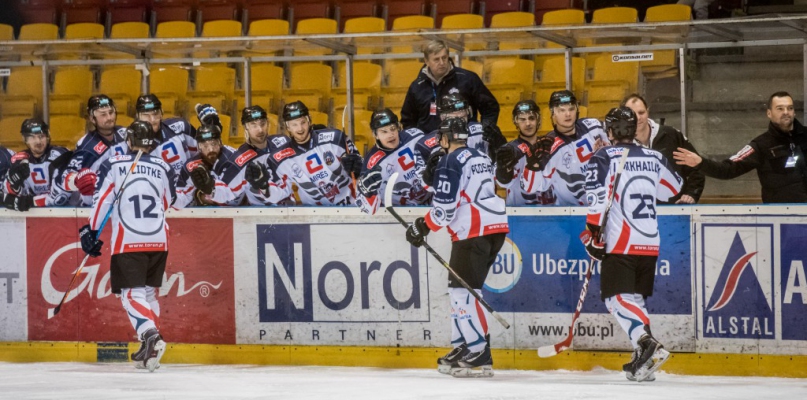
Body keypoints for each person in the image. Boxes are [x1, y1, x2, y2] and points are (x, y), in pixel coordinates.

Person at [582, 107, 682, 382]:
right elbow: (673, 190)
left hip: (621, 240)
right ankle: (643, 360)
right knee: (634, 299)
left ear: (611, 131)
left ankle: (647, 343)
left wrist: (592, 234)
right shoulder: (655, 156)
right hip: (650, 240)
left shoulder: (602, 156)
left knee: (616, 298)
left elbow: (597, 199)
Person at [405, 117, 509, 378]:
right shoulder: (479, 156)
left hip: (472, 231)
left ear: (444, 138)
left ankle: (479, 350)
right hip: (493, 227)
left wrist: (422, 226)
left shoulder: (450, 161)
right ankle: (464, 345)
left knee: (464, 294)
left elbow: (444, 210)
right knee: (461, 291)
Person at [79, 120, 174, 372]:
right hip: (158, 239)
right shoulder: (164, 166)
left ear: (128, 141)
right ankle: (150, 347)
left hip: (128, 240)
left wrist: (91, 230)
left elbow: (102, 202)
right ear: (151, 143)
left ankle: (150, 334)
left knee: (131, 294)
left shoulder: (114, 164)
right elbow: (168, 200)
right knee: (149, 293)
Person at [673, 91, 807, 203]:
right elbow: (728, 169)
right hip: (782, 219)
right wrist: (701, 163)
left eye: (790, 108)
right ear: (769, 113)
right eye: (780, 108)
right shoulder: (761, 144)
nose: (786, 112)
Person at [245, 101, 362, 206]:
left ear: (309, 120)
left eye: (303, 122)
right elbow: (280, 195)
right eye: (294, 124)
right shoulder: (279, 158)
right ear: (287, 126)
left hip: (352, 207)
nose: (300, 129)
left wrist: (357, 167)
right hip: (315, 216)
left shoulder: (335, 138)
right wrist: (264, 186)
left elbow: (362, 169)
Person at [520, 90, 610, 206]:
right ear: (553, 113)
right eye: (562, 110)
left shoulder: (594, 126)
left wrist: (605, 151)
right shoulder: (547, 146)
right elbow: (531, 188)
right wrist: (533, 166)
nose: (568, 114)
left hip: (603, 207)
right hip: (571, 214)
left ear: (577, 109)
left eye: (571, 109)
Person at [401, 39, 500, 134]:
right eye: (436, 59)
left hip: (464, 142)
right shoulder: (417, 87)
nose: (441, 63)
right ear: (426, 61)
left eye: (444, 57)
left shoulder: (468, 79)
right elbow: (408, 121)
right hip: (430, 146)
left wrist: (485, 130)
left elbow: (490, 107)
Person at [622, 94, 704, 204]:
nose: (638, 118)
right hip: (637, 216)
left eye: (641, 112)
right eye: (631, 114)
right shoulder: (619, 146)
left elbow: (697, 168)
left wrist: (691, 194)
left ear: (648, 111)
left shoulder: (671, 136)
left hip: (674, 213)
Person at [414, 93, 506, 189]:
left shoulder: (482, 132)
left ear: (468, 113)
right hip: (448, 199)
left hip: (483, 197)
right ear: (442, 117)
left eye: (462, 116)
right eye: (454, 118)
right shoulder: (425, 145)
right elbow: (424, 185)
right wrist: (429, 174)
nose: (459, 123)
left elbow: (500, 177)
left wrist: (500, 146)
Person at [356, 109, 428, 214]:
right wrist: (368, 193)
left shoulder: (416, 136)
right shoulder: (372, 162)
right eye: (384, 131)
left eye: (393, 129)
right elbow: (367, 209)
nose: (391, 134)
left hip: (431, 203)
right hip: (400, 212)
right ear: (375, 135)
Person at [61, 95, 129, 206]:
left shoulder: (125, 134)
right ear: (92, 118)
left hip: (125, 201)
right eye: (103, 114)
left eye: (111, 112)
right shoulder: (86, 146)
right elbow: (65, 179)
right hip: (97, 206)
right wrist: (78, 180)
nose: (109, 117)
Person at [124, 94, 197, 185]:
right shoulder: (133, 141)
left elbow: (202, 152)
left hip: (189, 189)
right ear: (137, 116)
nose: (152, 120)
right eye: (146, 115)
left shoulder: (180, 126)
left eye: (155, 114)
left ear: (161, 113)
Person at [494, 100, 557, 205]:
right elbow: (503, 182)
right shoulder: (508, 150)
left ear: (538, 120)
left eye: (531, 118)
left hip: (550, 212)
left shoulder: (548, 145)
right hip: (518, 213)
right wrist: (503, 170)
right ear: (516, 122)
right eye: (522, 119)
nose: (528, 123)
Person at [3, 118, 73, 211]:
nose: (38, 141)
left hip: (66, 213)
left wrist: (31, 202)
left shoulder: (61, 156)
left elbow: (59, 198)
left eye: (41, 136)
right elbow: (9, 195)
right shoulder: (19, 160)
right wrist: (14, 184)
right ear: (25, 139)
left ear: (48, 136)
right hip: (34, 217)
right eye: (32, 137)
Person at [235, 105, 295, 206]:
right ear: (245, 127)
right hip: (261, 213)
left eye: (262, 124)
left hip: (289, 209)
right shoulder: (240, 157)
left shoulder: (283, 142)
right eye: (254, 125)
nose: (260, 130)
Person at [174, 124, 244, 207]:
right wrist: (170, 199)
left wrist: (210, 189)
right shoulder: (191, 166)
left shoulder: (233, 159)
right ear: (199, 147)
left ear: (220, 142)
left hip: (240, 207)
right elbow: (182, 196)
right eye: (205, 145)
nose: (210, 149)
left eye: (214, 144)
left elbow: (234, 196)